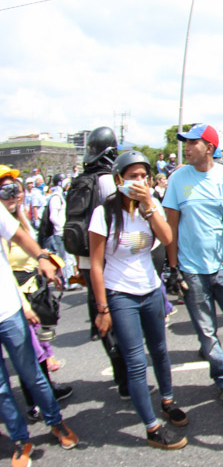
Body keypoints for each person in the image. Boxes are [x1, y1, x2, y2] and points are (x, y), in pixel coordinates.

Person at [89, 151, 188, 449]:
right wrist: (102, 306)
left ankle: (167, 400)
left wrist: (147, 204)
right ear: (119, 179)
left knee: (160, 349)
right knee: (134, 361)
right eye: (133, 177)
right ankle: (151, 427)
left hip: (150, 290)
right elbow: (96, 264)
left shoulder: (150, 205)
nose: (140, 182)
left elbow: (167, 237)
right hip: (121, 294)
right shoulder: (103, 213)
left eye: (144, 176)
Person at [163, 124, 223, 409]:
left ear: (208, 147)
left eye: (192, 143)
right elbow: (171, 225)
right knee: (206, 331)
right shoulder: (177, 179)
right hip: (192, 269)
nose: (186, 148)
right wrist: (172, 268)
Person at [0, 197, 79, 467]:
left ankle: (55, 422)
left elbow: (20, 235)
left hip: (7, 310)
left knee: (32, 373)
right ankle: (21, 440)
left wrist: (43, 257)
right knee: (0, 389)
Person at [71, 126, 129, 399]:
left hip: (84, 259)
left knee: (100, 313)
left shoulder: (79, 179)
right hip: (106, 258)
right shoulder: (108, 180)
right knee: (116, 315)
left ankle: (119, 369)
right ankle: (125, 373)